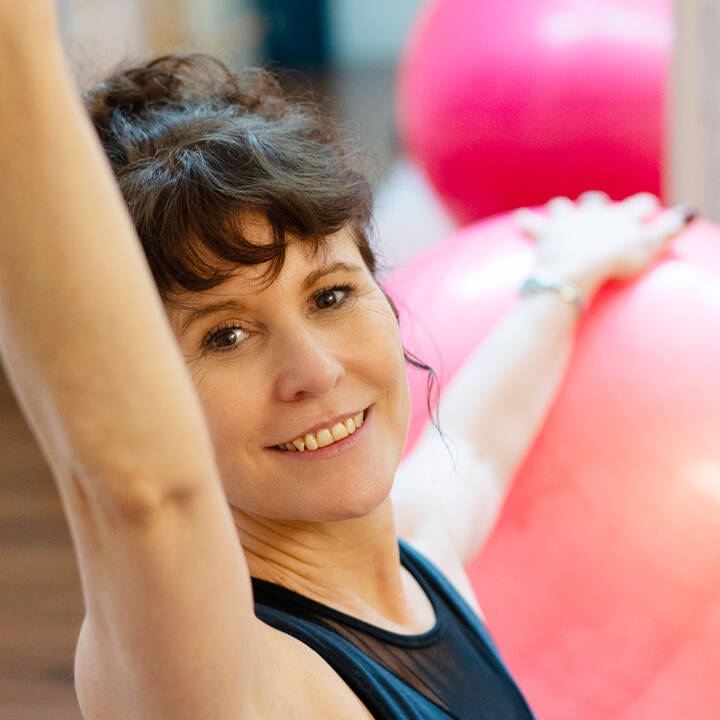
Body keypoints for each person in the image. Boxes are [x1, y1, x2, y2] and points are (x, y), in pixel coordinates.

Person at [0, 3, 693, 718]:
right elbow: (145, 497)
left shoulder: (421, 558)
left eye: (330, 295)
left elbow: (481, 446)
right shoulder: (227, 678)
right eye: (226, 337)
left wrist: (563, 282)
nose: (317, 372)